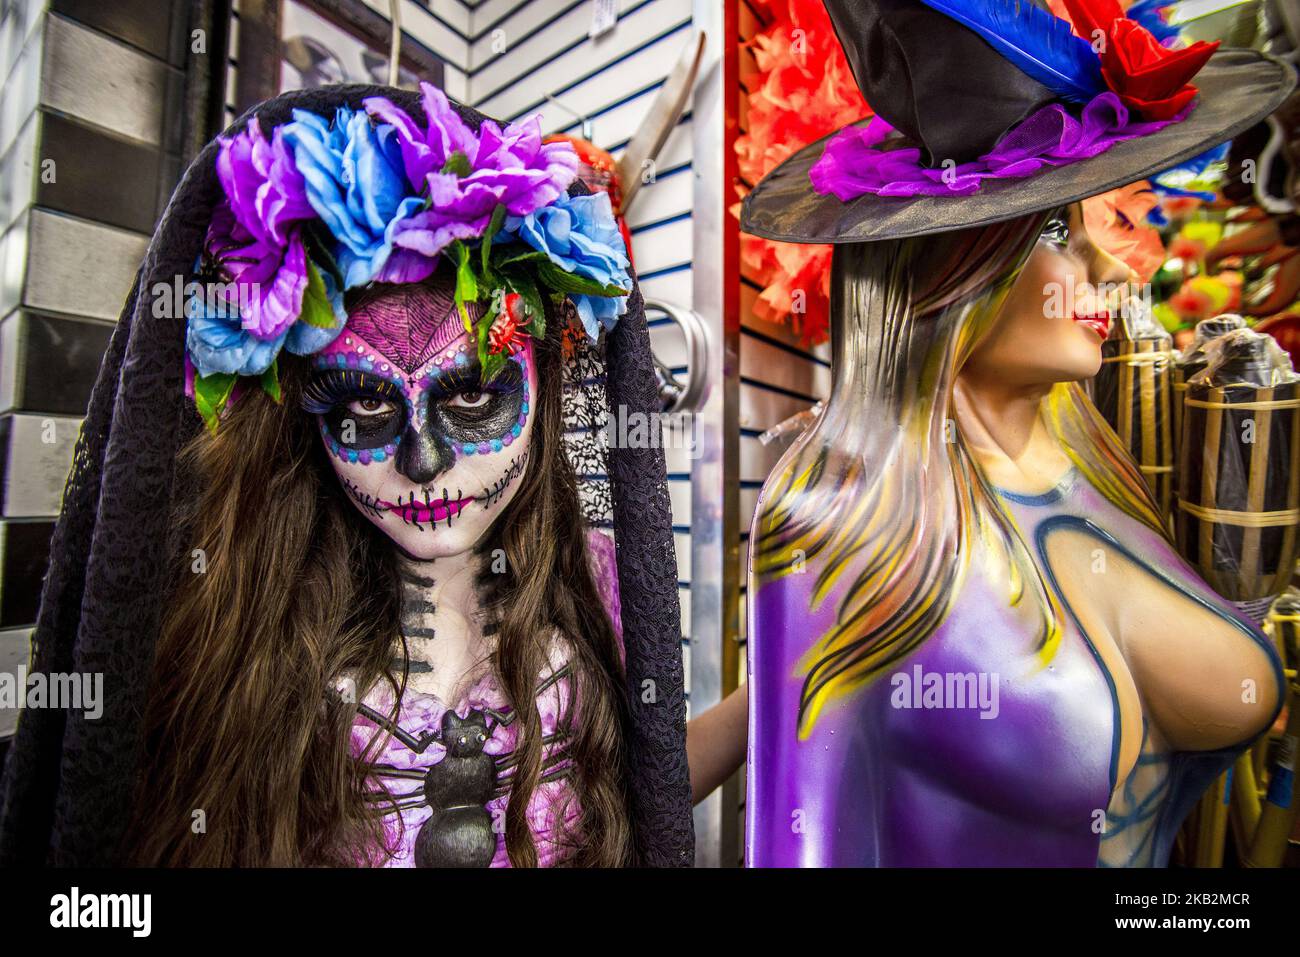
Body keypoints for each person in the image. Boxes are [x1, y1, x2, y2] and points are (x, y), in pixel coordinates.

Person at [0, 83, 694, 868]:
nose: (424, 463)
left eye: (471, 396)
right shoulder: (247, 621)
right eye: (364, 408)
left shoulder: (592, 583)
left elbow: (646, 782)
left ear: (544, 386)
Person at [739, 0, 1295, 866]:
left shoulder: (1101, 474)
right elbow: (799, 839)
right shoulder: (836, 513)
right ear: (948, 274)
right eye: (1055, 231)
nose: (1111, 265)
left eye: (1091, 227)